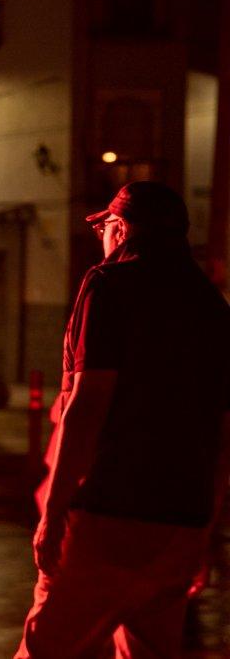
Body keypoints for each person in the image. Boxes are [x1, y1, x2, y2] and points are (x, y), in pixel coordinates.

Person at [16, 182, 230, 657]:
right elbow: (222, 437)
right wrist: (205, 535)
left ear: (119, 228)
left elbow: (88, 405)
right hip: (180, 524)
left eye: (106, 229)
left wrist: (53, 514)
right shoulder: (214, 310)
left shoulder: (109, 285)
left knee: (45, 650)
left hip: (107, 515)